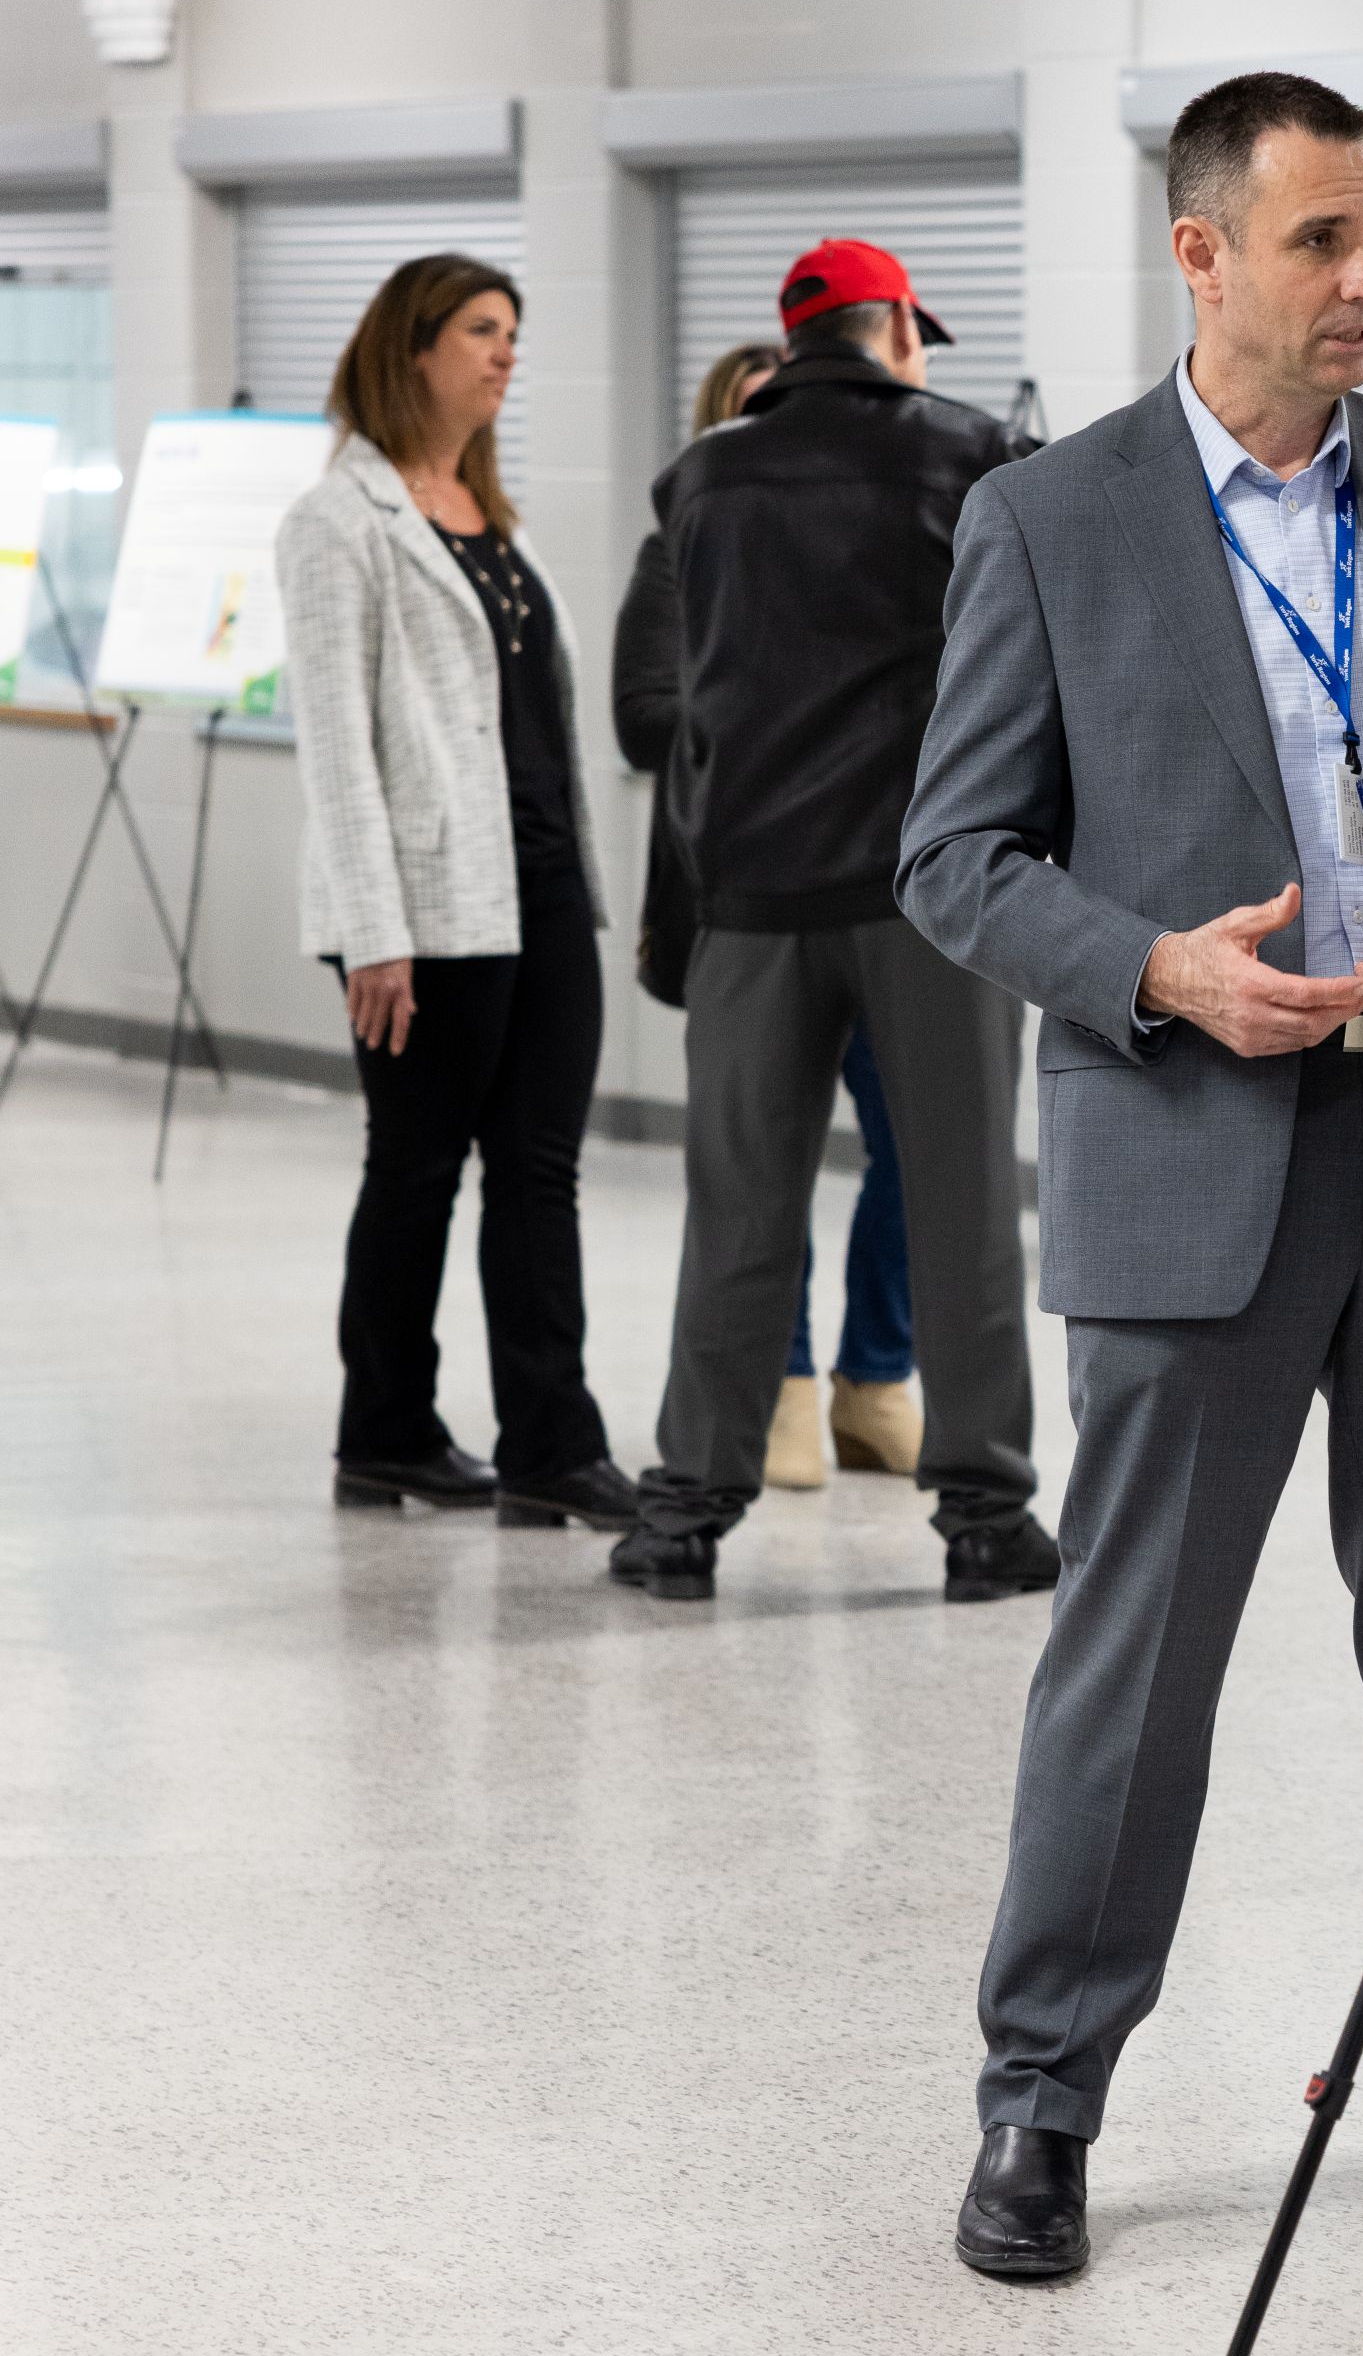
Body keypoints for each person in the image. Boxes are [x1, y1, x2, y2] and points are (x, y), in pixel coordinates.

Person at [898, 70, 1363, 2284]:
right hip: (1188, 1153)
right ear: (1199, 254)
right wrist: (1148, 968)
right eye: (1320, 241)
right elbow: (953, 854)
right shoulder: (1047, 519)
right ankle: (1042, 2094)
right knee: (1135, 1663)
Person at [610, 241, 1050, 1605]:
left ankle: (683, 1517)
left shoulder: (698, 482)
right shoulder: (975, 459)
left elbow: (664, 705)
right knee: (966, 1199)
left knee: (737, 1208)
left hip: (747, 901)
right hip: (930, 897)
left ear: (790, 341)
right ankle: (983, 1520)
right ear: (894, 331)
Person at [282, 253, 641, 1538]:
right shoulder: (339, 523)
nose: (505, 354)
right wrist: (373, 932)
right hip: (424, 907)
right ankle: (383, 1430)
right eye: (483, 331)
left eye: (513, 335)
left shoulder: (498, 518)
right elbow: (335, 744)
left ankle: (551, 1443)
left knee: (540, 1170)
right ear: (414, 345)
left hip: (540, 882)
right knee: (419, 1165)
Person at [612, 339, 923, 1493]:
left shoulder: (874, 546)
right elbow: (643, 718)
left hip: (889, 903)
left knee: (912, 1161)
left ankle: (874, 1377)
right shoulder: (681, 549)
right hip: (744, 906)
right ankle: (780, 1385)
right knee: (760, 1172)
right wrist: (774, 683)